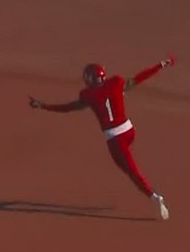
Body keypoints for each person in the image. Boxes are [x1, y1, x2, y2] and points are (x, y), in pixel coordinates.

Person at [27, 57, 176, 219]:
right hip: (129, 131)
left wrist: (43, 106)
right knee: (128, 165)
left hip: (115, 139)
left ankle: (154, 197)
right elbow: (139, 78)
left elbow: (68, 108)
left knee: (132, 172)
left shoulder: (88, 95)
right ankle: (151, 194)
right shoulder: (116, 82)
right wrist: (159, 65)